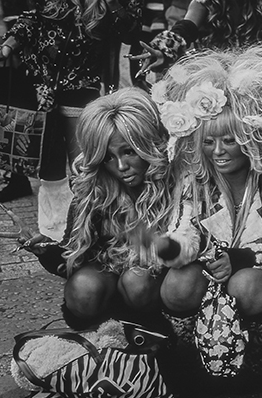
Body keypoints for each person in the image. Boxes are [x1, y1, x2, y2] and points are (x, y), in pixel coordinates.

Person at [151, 47, 262, 382]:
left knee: (245, 285)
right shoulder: (196, 181)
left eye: (229, 140)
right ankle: (200, 344)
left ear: (249, 140)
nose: (218, 151)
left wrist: (242, 257)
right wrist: (176, 248)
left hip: (261, 272)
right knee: (175, 287)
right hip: (210, 269)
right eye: (209, 142)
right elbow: (185, 228)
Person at [0, 0, 141, 241]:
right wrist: (13, 40)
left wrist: (115, 6)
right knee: (50, 173)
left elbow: (131, 31)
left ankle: (94, 242)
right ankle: (57, 240)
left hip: (90, 90)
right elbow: (37, 16)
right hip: (45, 86)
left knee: (88, 169)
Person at [18, 88, 172, 329]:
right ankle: (107, 336)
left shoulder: (174, 182)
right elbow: (73, 257)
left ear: (148, 143)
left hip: (161, 279)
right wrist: (46, 250)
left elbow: (182, 253)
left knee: (137, 281)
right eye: (108, 157)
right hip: (110, 271)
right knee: (83, 289)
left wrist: (142, 237)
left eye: (129, 151)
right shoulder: (96, 188)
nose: (121, 166)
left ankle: (154, 332)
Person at [0, 0, 44, 203]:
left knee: (17, 108)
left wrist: (15, 41)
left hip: (19, 47)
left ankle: (19, 175)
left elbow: (35, 6)